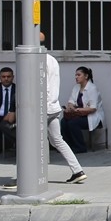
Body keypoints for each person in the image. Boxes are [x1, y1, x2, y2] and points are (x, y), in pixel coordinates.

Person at [41, 32, 87, 184]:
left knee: (28, 141)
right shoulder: (52, 60)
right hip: (53, 106)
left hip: (41, 107)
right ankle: (77, 170)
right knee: (57, 140)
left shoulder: (36, 61)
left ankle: (25, 177)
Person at [60, 66, 104, 154]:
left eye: (79, 75)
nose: (76, 77)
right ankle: (68, 146)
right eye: (75, 75)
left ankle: (80, 147)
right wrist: (70, 107)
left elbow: (93, 108)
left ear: (86, 76)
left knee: (73, 123)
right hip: (79, 115)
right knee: (64, 121)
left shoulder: (92, 88)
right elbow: (71, 101)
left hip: (92, 117)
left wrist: (79, 110)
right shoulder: (76, 87)